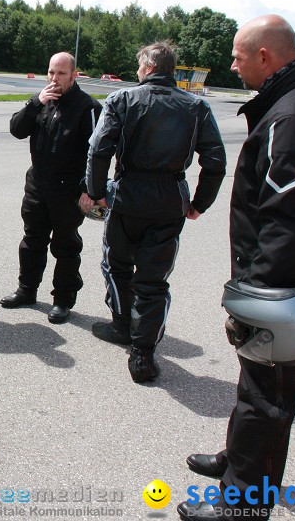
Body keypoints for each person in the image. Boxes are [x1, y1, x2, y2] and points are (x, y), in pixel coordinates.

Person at [177, 16, 295, 521]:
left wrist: (256, 299)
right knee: (256, 383)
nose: (232, 64)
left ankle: (243, 503)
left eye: (237, 56)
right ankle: (240, 461)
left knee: (268, 397)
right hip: (280, 280)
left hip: (283, 286)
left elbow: (286, 218)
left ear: (266, 57)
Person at [83, 41, 226, 383]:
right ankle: (142, 352)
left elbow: (99, 149)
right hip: (167, 202)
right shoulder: (195, 106)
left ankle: (124, 326)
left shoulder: (124, 100)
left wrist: (96, 192)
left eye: (138, 67)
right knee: (152, 280)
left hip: (128, 198)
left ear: (147, 68)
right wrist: (199, 203)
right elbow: (215, 162)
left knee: (116, 264)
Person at [0, 52, 102, 324]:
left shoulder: (89, 107)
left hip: (68, 189)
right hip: (37, 184)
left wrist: (89, 189)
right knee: (32, 240)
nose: (54, 79)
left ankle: (63, 300)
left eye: (61, 74)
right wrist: (35, 103)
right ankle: (26, 290)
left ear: (74, 75)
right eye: (51, 73)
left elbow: (97, 152)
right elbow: (17, 129)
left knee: (65, 245)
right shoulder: (42, 101)